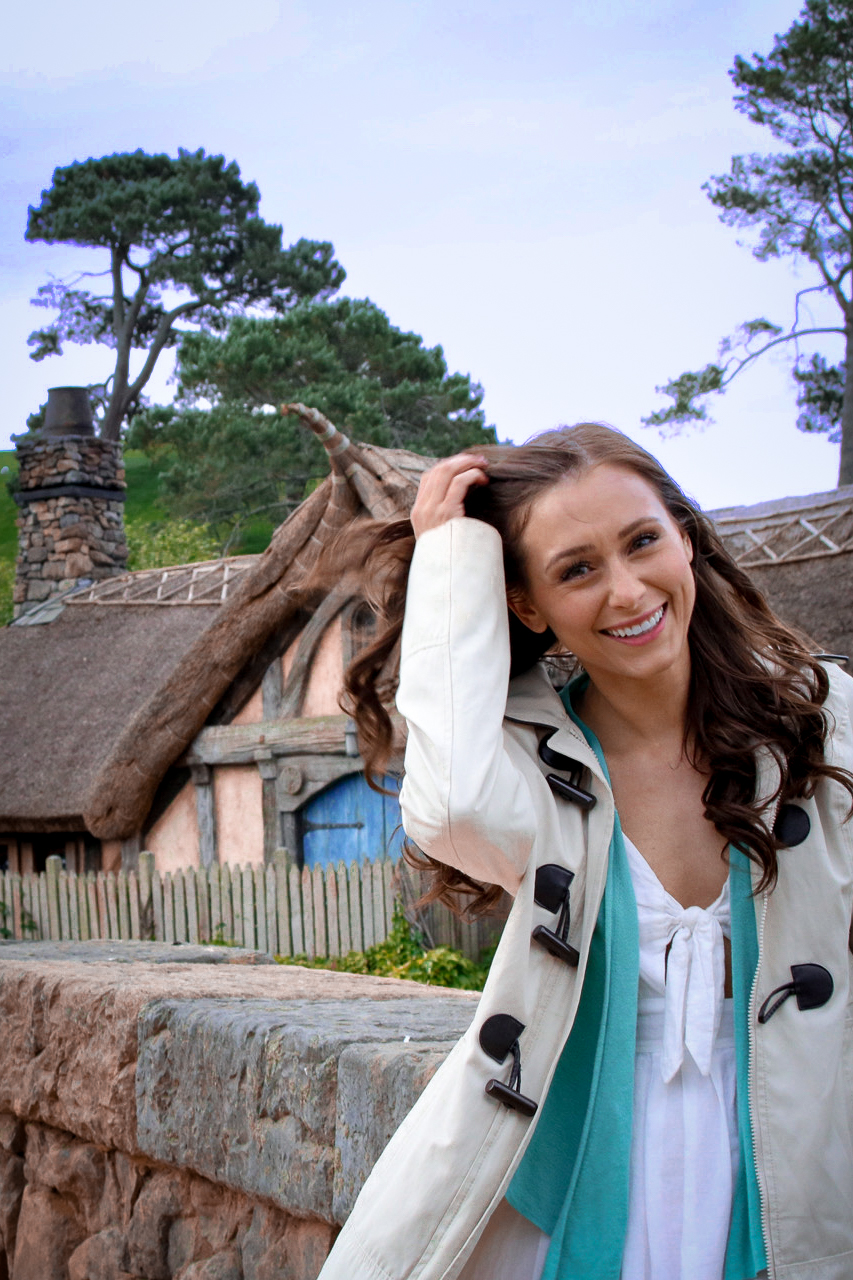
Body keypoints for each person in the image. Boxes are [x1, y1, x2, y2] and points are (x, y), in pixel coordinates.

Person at [317, 424, 853, 1280]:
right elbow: (449, 806)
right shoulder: (534, 763)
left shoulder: (826, 724)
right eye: (576, 570)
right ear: (527, 605)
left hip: (794, 1150)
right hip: (578, 1166)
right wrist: (448, 560)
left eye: (643, 542)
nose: (628, 591)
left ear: (683, 535)